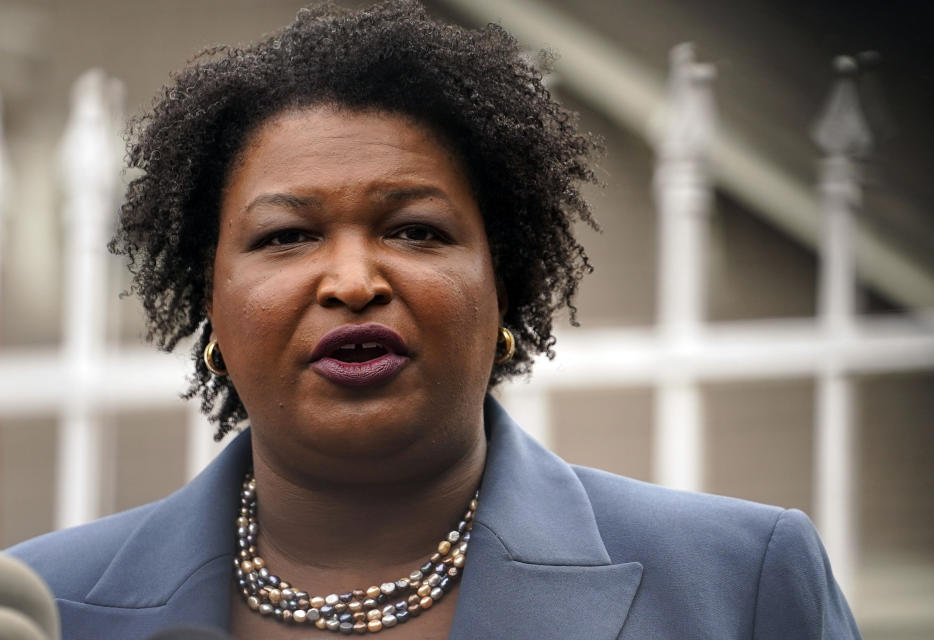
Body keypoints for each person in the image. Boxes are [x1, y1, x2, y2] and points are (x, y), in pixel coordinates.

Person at [6, 2, 861, 638]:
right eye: (286, 235)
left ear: (505, 287)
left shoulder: (737, 584)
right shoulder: (43, 604)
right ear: (210, 305)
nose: (351, 280)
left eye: (416, 230)